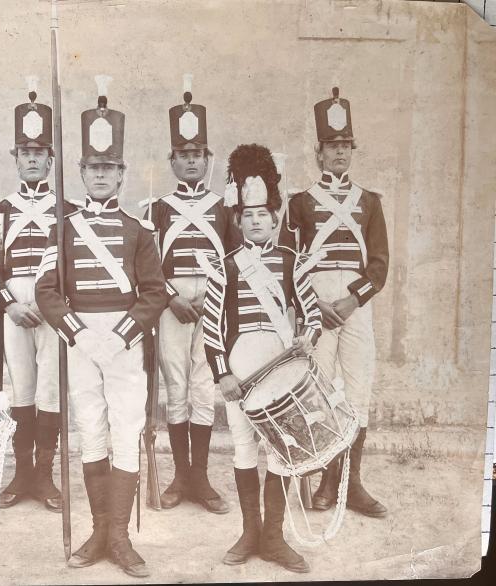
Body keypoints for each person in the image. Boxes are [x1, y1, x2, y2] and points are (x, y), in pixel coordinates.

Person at [35, 76, 167, 578]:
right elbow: (48, 289)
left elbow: (154, 292)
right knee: (91, 429)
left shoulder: (139, 231)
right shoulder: (63, 229)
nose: (101, 175)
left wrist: (120, 336)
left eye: (110, 167)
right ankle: (98, 529)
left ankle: (120, 535)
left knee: (126, 429)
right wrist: (78, 332)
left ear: (122, 172)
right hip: (80, 340)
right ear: (81, 171)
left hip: (124, 343)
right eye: (92, 167)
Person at [202, 143, 322, 574]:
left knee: (282, 449)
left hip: (282, 370)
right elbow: (212, 328)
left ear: (275, 220)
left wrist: (308, 341)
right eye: (248, 216)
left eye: (263, 216)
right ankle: (249, 531)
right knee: (243, 447)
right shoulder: (225, 266)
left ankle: (273, 536)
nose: (255, 222)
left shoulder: (293, 263)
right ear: (239, 221)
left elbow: (312, 317)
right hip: (241, 372)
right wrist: (222, 376)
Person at [279, 87, 389, 518]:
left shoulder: (370, 202)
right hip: (315, 306)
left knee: (357, 390)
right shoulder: (300, 203)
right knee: (318, 392)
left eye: (345, 146)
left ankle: (351, 483)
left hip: (356, 306)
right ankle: (325, 477)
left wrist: (349, 302)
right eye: (332, 147)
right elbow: (289, 265)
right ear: (318, 153)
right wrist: (314, 304)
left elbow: (378, 267)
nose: (339, 153)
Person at [0, 79, 78, 513]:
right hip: (15, 312)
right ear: (16, 159)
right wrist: (10, 306)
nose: (33, 159)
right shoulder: (0, 212)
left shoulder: (68, 211)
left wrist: (50, 304)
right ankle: (21, 473)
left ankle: (45, 473)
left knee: (50, 392)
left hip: (52, 311)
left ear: (51, 159)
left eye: (40, 153)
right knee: (21, 389)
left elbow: (75, 267)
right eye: (25, 153)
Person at [145, 75, 239, 514]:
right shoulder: (156, 209)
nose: (190, 162)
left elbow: (236, 262)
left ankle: (200, 478)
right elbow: (145, 265)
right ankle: (180, 477)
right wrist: (170, 297)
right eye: (183, 155)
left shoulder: (224, 209)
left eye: (197, 154)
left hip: (213, 306)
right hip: (172, 306)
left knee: (205, 386)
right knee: (176, 386)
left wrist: (212, 299)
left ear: (208, 158)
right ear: (172, 160)